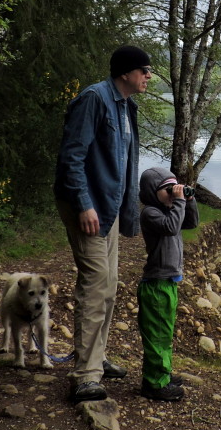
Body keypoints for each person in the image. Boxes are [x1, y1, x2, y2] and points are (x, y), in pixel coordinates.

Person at [53, 45, 151, 403]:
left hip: (106, 208)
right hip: (88, 206)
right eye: (144, 70)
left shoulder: (126, 105)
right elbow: (72, 156)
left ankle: (95, 357)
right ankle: (85, 376)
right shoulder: (94, 99)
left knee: (108, 285)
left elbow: (124, 163)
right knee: (95, 286)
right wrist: (83, 204)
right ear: (125, 72)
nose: (148, 76)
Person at [137, 166, 199, 401]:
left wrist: (189, 200)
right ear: (153, 192)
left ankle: (162, 374)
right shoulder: (150, 213)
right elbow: (171, 227)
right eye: (168, 190)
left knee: (165, 333)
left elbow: (190, 223)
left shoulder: (169, 210)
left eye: (175, 188)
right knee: (157, 336)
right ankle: (154, 384)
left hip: (168, 284)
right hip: (156, 285)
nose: (173, 194)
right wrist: (179, 201)